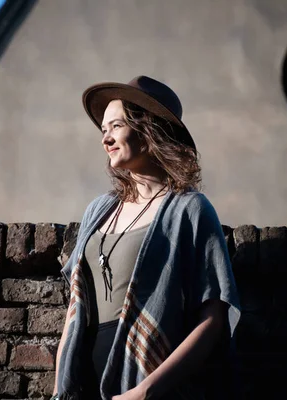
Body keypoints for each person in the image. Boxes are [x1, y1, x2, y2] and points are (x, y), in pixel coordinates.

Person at [51, 76, 241, 400]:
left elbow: (215, 317)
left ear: (148, 129)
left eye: (116, 126)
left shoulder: (189, 209)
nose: (105, 139)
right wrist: (58, 392)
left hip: (144, 385)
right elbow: (75, 307)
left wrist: (146, 391)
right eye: (103, 130)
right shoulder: (98, 210)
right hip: (82, 383)